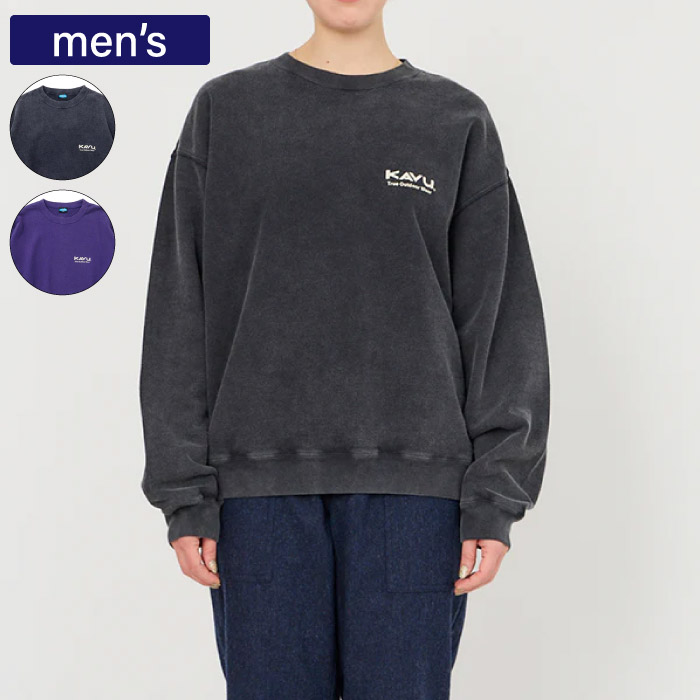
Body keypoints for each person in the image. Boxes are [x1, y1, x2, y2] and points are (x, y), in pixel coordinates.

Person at [140, 1, 550, 697]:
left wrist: (496, 494)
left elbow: (501, 318)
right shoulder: (226, 114)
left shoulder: (455, 121)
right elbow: (179, 310)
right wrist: (184, 491)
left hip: (415, 499)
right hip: (256, 498)